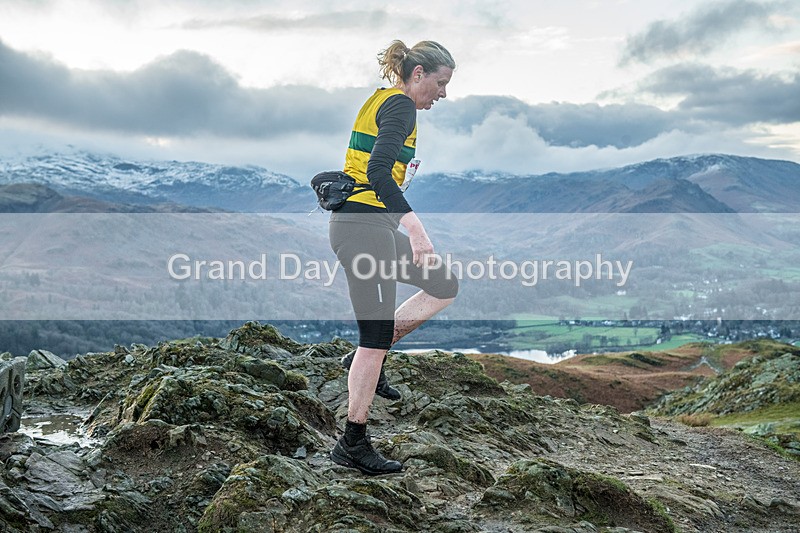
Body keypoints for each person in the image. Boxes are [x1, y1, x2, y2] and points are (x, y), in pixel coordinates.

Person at [328, 40, 459, 475]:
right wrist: (416, 229)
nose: (442, 94)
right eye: (440, 83)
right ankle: (353, 442)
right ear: (417, 73)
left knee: (442, 286)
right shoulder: (401, 107)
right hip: (363, 231)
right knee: (372, 337)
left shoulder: (381, 101)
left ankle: (373, 356)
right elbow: (377, 171)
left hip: (368, 228)